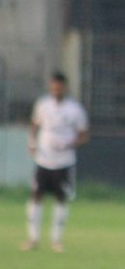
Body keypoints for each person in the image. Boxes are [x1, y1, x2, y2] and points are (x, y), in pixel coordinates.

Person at [22, 71, 90, 253]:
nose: (56, 90)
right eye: (53, 87)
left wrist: (71, 143)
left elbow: (84, 135)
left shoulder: (75, 109)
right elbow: (34, 125)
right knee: (36, 195)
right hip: (43, 159)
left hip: (64, 161)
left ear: (65, 88)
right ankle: (33, 238)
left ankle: (56, 240)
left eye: (59, 87)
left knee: (61, 198)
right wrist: (32, 143)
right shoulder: (43, 105)